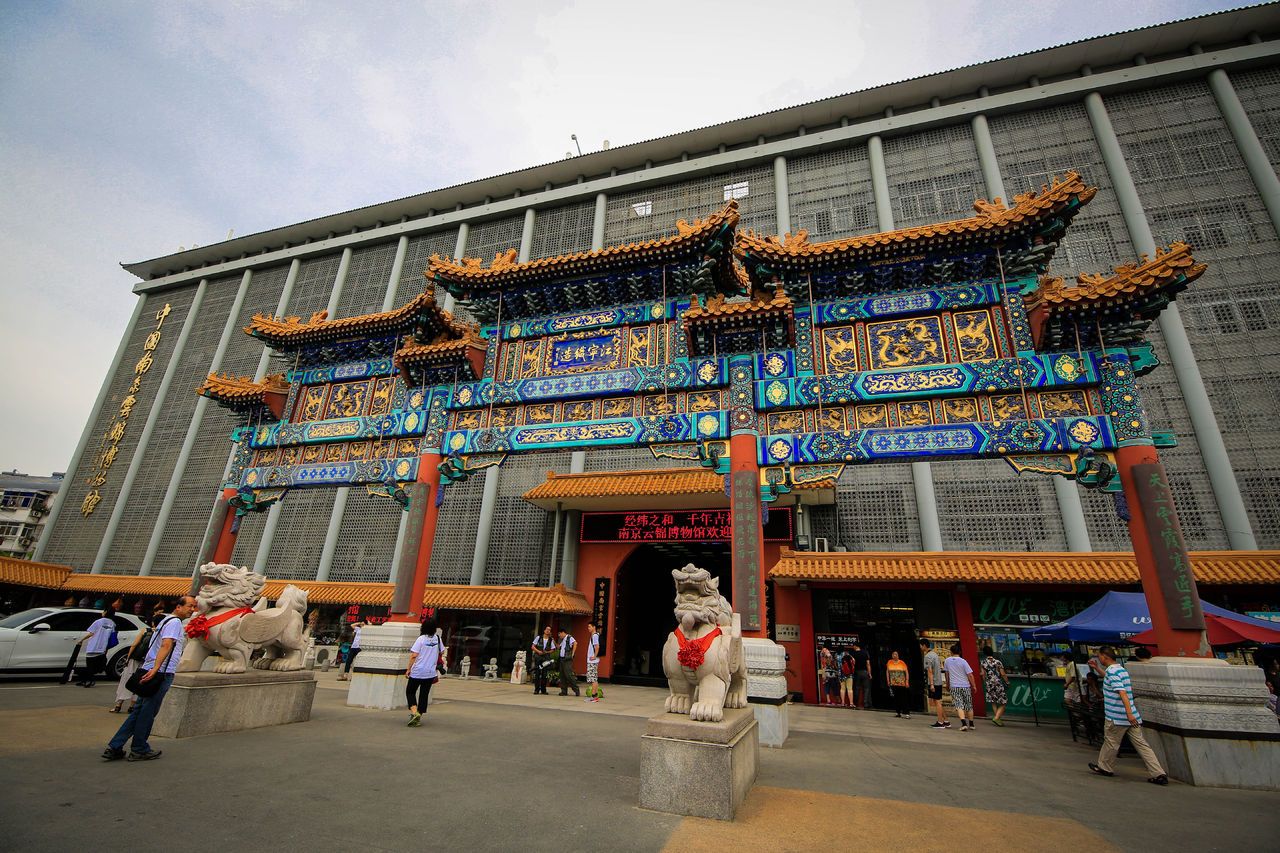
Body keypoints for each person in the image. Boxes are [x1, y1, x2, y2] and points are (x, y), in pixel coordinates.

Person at [101, 595, 197, 762]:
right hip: (159, 673)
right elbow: (166, 645)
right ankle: (139, 748)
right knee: (148, 712)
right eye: (190, 606)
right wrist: (156, 669)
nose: (192, 609)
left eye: (194, 606)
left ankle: (115, 746)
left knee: (139, 711)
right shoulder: (174, 623)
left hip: (150, 668)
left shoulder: (165, 621)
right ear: (178, 607)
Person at [1089, 645, 1168, 785]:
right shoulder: (1120, 670)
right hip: (1132, 717)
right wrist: (1096, 668)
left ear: (1105, 657)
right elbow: (1109, 679)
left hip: (1118, 716)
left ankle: (1105, 767)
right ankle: (1159, 773)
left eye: (1099, 656)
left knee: (1111, 742)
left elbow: (1122, 693)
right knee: (1142, 745)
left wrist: (1128, 713)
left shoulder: (1112, 672)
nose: (1099, 658)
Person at [111, 612, 156, 713]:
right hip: (146, 662)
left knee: (126, 680)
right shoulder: (161, 634)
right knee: (139, 682)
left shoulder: (145, 631)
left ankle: (118, 705)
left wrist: (128, 657)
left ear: (152, 622)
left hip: (135, 659)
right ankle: (132, 706)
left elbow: (134, 645)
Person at [404, 618, 442, 727]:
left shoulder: (421, 639)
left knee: (410, 692)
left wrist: (408, 669)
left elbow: (414, 655)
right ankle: (418, 716)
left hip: (418, 671)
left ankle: (414, 712)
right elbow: (442, 651)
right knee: (424, 695)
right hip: (430, 672)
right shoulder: (437, 639)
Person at [77, 606, 117, 688]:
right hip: (102, 647)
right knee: (94, 665)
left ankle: (90, 680)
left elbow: (91, 633)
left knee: (89, 665)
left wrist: (81, 640)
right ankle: (85, 680)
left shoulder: (98, 622)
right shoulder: (112, 623)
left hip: (93, 646)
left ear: (105, 612)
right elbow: (111, 637)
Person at [943, 644, 978, 731]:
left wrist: (947, 684)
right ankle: (972, 724)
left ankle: (963, 723)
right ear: (960, 652)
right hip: (966, 686)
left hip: (954, 686)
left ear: (951, 652)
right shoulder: (963, 661)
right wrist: (974, 686)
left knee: (959, 705)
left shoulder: (947, 661)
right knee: (969, 705)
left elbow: (947, 674)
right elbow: (970, 675)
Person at [921, 638, 948, 729]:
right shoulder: (935, 654)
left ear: (924, 645)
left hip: (934, 682)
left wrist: (931, 684)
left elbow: (929, 671)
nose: (920, 647)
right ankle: (946, 721)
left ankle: (940, 722)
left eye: (921, 645)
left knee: (937, 702)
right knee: (938, 701)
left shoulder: (928, 656)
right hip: (939, 681)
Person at [981, 646, 1009, 726]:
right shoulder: (998, 662)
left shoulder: (983, 662)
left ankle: (997, 718)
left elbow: (983, 674)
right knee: (1003, 702)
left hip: (989, 683)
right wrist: (1007, 682)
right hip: (998, 683)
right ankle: (996, 718)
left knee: (993, 702)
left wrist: (985, 682)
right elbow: (1003, 674)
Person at [886, 651, 911, 718]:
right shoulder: (889, 662)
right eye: (893, 654)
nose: (894, 655)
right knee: (896, 699)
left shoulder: (902, 663)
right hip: (893, 683)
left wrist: (907, 681)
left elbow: (906, 672)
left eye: (896, 654)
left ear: (898, 655)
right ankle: (898, 712)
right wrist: (888, 680)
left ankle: (907, 713)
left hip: (902, 684)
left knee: (904, 698)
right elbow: (887, 672)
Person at [530, 626, 555, 694]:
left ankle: (543, 690)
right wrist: (538, 651)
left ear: (550, 632)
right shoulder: (538, 637)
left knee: (544, 674)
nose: (548, 631)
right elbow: (532, 646)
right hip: (538, 657)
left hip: (546, 658)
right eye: (547, 629)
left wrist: (547, 652)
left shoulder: (550, 640)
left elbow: (553, 649)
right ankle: (536, 689)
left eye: (549, 630)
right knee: (537, 673)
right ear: (544, 630)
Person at [557, 627, 580, 697]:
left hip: (567, 659)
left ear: (563, 632)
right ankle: (564, 691)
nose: (559, 636)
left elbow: (575, 643)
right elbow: (559, 647)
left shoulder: (569, 637)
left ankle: (576, 689)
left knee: (569, 675)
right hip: (562, 659)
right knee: (562, 676)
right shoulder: (563, 640)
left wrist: (572, 654)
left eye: (559, 634)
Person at [584, 621, 604, 702]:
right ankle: (594, 696)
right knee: (594, 678)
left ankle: (594, 697)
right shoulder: (595, 635)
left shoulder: (595, 636)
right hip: (593, 660)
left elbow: (597, 647)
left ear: (594, 627)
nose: (588, 628)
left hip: (593, 660)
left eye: (589, 627)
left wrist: (594, 656)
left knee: (593, 679)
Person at [851, 642, 872, 709]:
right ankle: (866, 703)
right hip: (865, 672)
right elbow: (868, 664)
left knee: (857, 688)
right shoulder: (865, 653)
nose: (853, 647)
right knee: (866, 688)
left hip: (856, 672)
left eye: (853, 646)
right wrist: (869, 673)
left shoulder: (853, 654)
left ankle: (856, 703)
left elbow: (852, 664)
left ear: (856, 646)